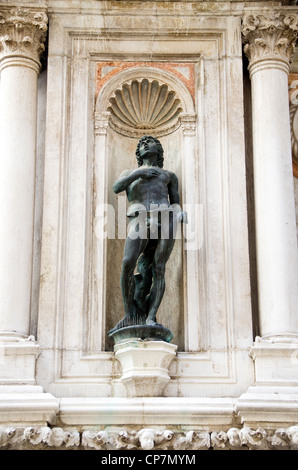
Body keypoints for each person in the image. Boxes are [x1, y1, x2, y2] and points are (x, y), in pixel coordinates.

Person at [111, 135, 186, 331]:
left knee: (159, 267)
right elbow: (116, 188)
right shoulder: (130, 172)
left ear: (158, 149)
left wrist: (179, 212)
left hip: (165, 218)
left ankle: (151, 317)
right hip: (140, 217)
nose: (145, 144)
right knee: (128, 262)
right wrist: (139, 174)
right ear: (139, 153)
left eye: (149, 142)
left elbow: (175, 200)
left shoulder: (168, 176)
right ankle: (130, 314)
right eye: (141, 144)